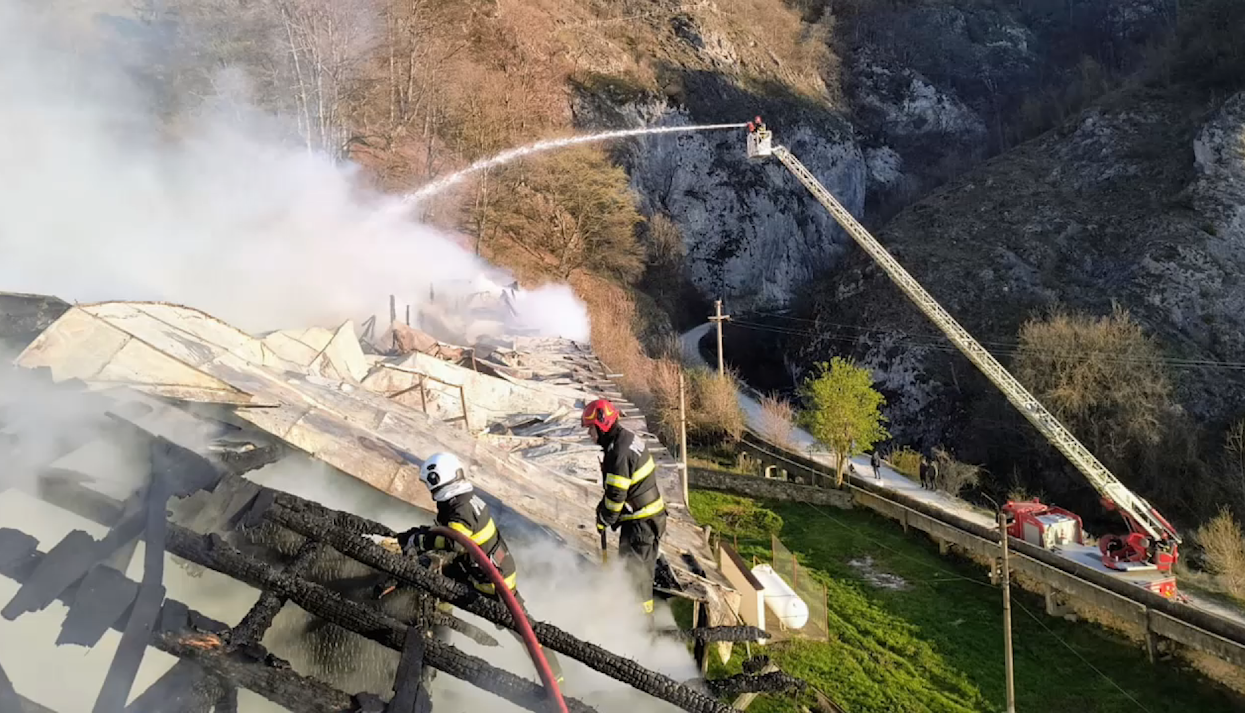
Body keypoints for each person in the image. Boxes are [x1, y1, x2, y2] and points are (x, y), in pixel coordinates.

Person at [392, 452, 564, 682]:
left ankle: (555, 680)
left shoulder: (459, 508)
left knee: (523, 629)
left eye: (428, 483)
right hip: (479, 569)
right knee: (439, 583)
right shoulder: (462, 499)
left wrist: (420, 541)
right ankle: (439, 638)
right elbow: (449, 533)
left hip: (493, 581)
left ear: (437, 480)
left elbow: (455, 543)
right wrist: (419, 533)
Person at [582, 398, 667, 617]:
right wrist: (603, 511)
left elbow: (616, 497)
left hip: (642, 525)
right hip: (641, 519)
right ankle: (628, 615)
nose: (589, 435)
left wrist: (604, 518)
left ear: (601, 426)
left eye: (590, 429)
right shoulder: (625, 439)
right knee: (629, 572)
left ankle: (640, 627)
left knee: (637, 581)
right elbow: (616, 491)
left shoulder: (618, 453)